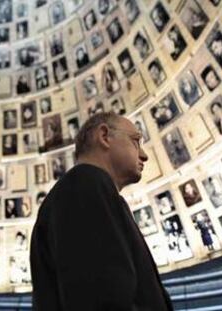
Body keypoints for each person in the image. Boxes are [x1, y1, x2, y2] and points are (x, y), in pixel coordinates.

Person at [30, 112, 173, 311]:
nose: (144, 155)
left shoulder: (80, 190)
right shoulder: (84, 185)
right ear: (104, 136)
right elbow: (104, 296)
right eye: (135, 141)